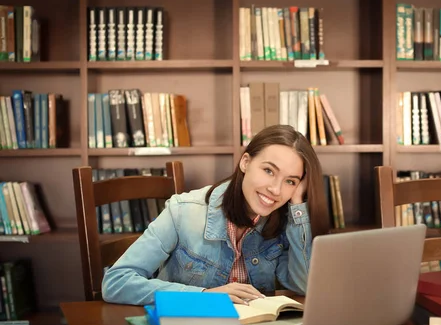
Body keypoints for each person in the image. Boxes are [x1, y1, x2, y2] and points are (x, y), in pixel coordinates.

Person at [101, 124, 330, 306]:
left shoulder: (283, 221)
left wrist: (298, 203)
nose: (276, 190)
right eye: (269, 171)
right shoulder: (183, 211)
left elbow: (304, 286)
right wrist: (204, 296)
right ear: (245, 162)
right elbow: (116, 282)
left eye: (290, 181)